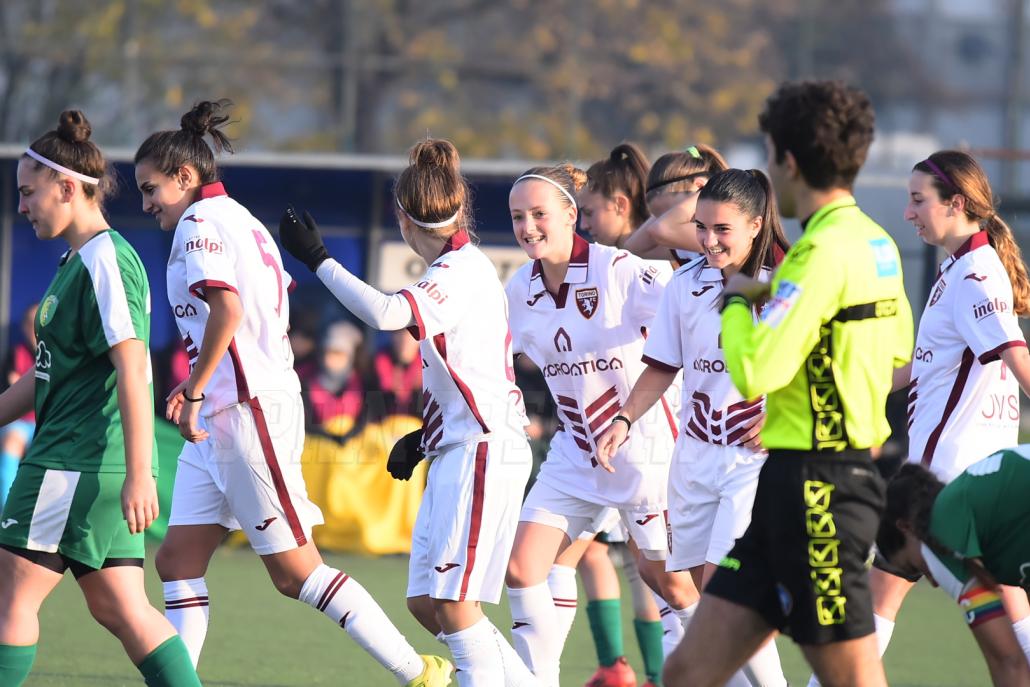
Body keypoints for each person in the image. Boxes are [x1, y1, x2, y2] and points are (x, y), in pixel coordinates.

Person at [135, 101, 450, 686]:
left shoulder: (199, 224)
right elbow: (251, 321)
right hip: (228, 408)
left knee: (296, 572)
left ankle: (420, 673)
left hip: (246, 412)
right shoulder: (242, 219)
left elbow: (229, 310)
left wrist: (199, 389)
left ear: (184, 176)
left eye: (151, 188)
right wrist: (199, 381)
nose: (147, 202)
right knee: (176, 561)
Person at [664, 80, 914, 687]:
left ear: (789, 161)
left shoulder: (817, 252)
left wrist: (735, 303)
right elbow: (898, 355)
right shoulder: (877, 243)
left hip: (821, 487)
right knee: (688, 671)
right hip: (794, 480)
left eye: (770, 153)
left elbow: (756, 370)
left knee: (851, 678)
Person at [278, 137, 537, 686]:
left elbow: (388, 313)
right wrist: (425, 437)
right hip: (457, 446)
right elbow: (468, 370)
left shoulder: (460, 269)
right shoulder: (455, 267)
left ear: (402, 218)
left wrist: (319, 260)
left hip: (483, 449)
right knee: (426, 603)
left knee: (455, 608)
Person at [0, 111, 201, 687]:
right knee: (121, 607)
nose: (21, 206)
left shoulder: (104, 259)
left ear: (67, 188)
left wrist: (141, 474)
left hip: (73, 461)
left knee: (11, 598)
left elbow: (134, 368)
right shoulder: (77, 260)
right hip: (90, 465)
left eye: (28, 193)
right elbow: (46, 375)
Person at [504, 163, 697, 687]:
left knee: (672, 586)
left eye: (539, 214)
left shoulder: (619, 269)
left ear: (571, 215)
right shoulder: (519, 288)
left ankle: (731, 673)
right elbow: (492, 360)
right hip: (575, 451)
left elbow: (691, 321)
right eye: (518, 217)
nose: (528, 227)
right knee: (523, 569)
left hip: (645, 452)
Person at [598, 167, 791, 687]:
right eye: (701, 227)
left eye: (722, 229)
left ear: (756, 224)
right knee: (708, 596)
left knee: (728, 592)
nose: (708, 240)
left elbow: (822, 364)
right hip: (694, 455)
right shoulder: (685, 284)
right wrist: (623, 419)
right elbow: (663, 366)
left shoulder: (785, 284)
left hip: (755, 461)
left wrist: (781, 414)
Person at [855, 150, 1030, 681]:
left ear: (955, 203)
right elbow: (926, 368)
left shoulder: (975, 273)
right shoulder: (959, 268)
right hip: (959, 481)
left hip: (946, 486)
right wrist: (843, 389)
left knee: (882, 601)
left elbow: (1016, 356)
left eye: (918, 200)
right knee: (1007, 616)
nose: (908, 213)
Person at [575, 142, 684, 687]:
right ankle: (620, 667)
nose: (584, 224)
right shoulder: (618, 260)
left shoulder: (646, 265)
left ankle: (663, 671)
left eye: (589, 212)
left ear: (620, 205)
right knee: (620, 557)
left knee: (654, 564)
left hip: (649, 429)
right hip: (608, 430)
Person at [877, 452, 1030, 686]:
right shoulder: (985, 511)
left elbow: (1008, 662)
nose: (934, 583)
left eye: (912, 565)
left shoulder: (941, 534)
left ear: (906, 527)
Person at [624, 144, 729, 265]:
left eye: (673, 213)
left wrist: (708, 191)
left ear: (700, 187)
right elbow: (632, 249)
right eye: (662, 217)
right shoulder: (686, 241)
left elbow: (661, 229)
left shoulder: (724, 229)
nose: (668, 219)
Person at [0, 303, 38, 508]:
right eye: (31, 324)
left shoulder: (61, 356)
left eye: (39, 323)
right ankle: (8, 511)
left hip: (48, 423)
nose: (35, 330)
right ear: (24, 327)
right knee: (11, 442)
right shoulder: (16, 354)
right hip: (20, 422)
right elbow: (13, 390)